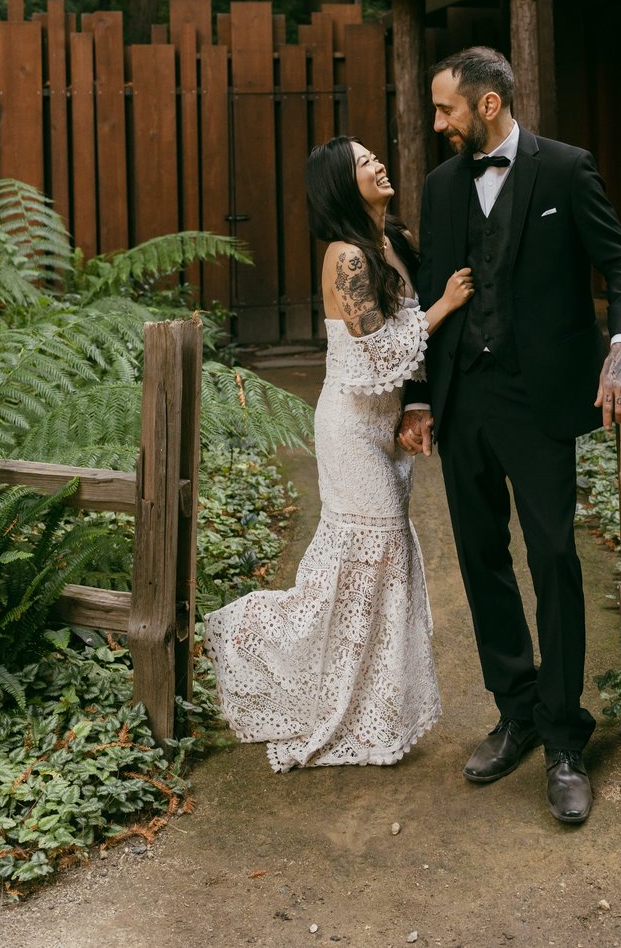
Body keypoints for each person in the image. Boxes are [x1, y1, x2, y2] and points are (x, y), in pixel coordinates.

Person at [398, 46, 621, 824]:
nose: (437, 124)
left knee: (553, 559)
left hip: (538, 405)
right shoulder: (443, 188)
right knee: (480, 559)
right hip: (462, 400)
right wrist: (417, 396)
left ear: (488, 106)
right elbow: (424, 295)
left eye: (446, 110)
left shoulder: (567, 170)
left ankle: (566, 737)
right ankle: (515, 711)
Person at [205, 135, 474, 771]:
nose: (377, 162)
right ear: (341, 185)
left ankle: (370, 707)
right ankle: (246, 641)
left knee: (383, 565)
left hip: (385, 431)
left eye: (373, 155)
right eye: (362, 162)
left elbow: (404, 366)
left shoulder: (393, 241)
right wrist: (442, 306)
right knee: (368, 559)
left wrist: (418, 404)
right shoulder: (346, 257)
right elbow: (377, 352)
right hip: (350, 431)